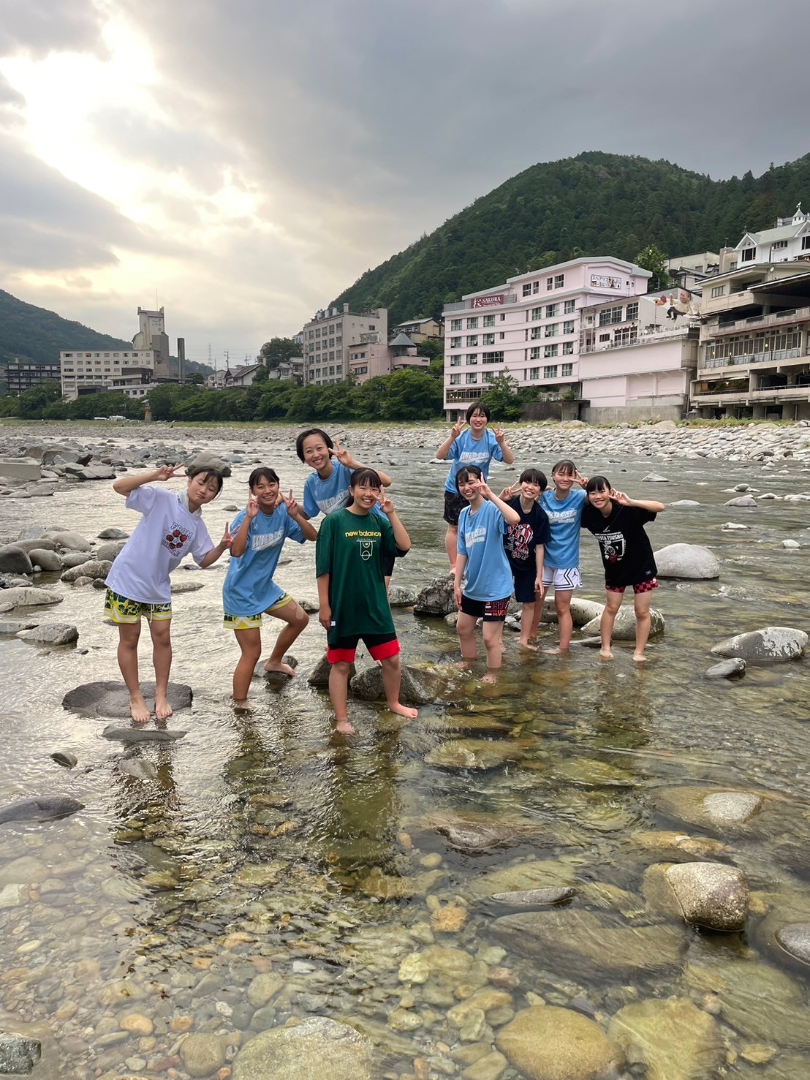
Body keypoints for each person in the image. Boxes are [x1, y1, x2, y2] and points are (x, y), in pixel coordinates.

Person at [104, 464, 231, 723]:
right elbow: (119, 487)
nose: (204, 490)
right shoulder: (161, 499)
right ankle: (135, 697)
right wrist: (154, 476)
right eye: (201, 482)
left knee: (163, 638)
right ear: (189, 480)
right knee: (129, 639)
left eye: (211, 489)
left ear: (214, 497)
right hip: (127, 580)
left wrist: (222, 546)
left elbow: (203, 560)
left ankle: (161, 695)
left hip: (158, 586)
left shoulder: (198, 525)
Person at [316, 468, 417, 734]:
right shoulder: (334, 522)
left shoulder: (378, 523)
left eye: (374, 488)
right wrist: (324, 605)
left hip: (375, 606)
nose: (369, 493)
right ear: (351, 490)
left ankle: (394, 703)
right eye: (363, 487)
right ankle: (341, 719)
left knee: (392, 660)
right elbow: (323, 568)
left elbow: (404, 546)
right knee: (340, 664)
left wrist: (390, 513)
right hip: (343, 606)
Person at [223, 468, 317, 708]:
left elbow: (313, 536)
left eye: (271, 484)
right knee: (251, 653)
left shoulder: (283, 513)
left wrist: (296, 516)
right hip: (240, 593)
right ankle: (240, 705)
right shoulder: (246, 516)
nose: (267, 490)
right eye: (260, 486)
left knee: (300, 619)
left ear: (278, 486)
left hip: (264, 588)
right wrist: (248, 518)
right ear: (252, 491)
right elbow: (236, 552)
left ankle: (274, 661)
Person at [296, 427, 397, 585]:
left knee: (378, 590)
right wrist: (285, 503)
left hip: (377, 535)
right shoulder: (311, 483)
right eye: (309, 451)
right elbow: (308, 513)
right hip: (349, 541)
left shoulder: (346, 469)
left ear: (329, 449)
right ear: (303, 456)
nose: (315, 454)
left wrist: (352, 463)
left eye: (319, 448)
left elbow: (386, 481)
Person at [582, 476, 665, 662]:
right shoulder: (589, 515)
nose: (597, 496)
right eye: (592, 493)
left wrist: (631, 501)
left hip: (641, 567)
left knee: (642, 611)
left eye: (601, 491)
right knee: (611, 608)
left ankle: (639, 652)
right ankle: (605, 647)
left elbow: (660, 506)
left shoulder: (626, 510)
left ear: (610, 492)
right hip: (615, 570)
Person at [453, 465, 521, 681]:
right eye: (462, 484)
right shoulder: (464, 514)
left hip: (496, 588)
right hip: (474, 586)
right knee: (463, 628)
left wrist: (490, 494)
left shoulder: (492, 509)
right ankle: (469, 662)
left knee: (490, 639)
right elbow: (462, 551)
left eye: (471, 482)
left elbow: (514, 519)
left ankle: (493, 674)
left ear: (481, 482)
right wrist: (457, 584)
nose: (466, 487)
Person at [436, 403, 514, 570]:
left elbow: (509, 460)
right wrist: (452, 437)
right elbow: (440, 455)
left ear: (487, 420)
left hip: (479, 489)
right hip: (456, 489)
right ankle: (454, 565)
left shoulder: (491, 440)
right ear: (469, 418)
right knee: (454, 527)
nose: (478, 419)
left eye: (482, 416)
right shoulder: (461, 438)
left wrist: (501, 443)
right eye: (475, 416)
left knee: (479, 526)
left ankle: (473, 562)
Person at [539, 459, 589, 655]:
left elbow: (603, 497)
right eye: (561, 474)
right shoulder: (543, 496)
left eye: (570, 475)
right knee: (536, 602)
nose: (565, 478)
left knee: (562, 607)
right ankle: (529, 635)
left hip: (567, 562)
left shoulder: (580, 497)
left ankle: (563, 648)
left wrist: (587, 487)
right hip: (543, 559)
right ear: (553, 476)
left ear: (575, 477)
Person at [499, 469, 551, 650]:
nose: (530, 487)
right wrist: (500, 498)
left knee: (529, 602)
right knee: (501, 600)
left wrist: (539, 576)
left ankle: (524, 640)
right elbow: (486, 512)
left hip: (528, 565)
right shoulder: (509, 504)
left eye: (536, 485)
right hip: (505, 561)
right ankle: (498, 639)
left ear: (541, 491)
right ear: (520, 484)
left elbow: (540, 546)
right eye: (527, 482)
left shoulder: (540, 516)